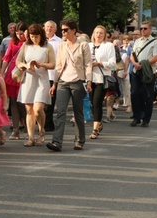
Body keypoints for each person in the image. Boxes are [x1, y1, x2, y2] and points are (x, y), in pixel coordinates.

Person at [46, 19, 92, 152]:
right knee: (60, 112)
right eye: (62, 30)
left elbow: (88, 64)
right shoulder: (62, 45)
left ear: (73, 30)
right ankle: (57, 142)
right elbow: (59, 66)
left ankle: (79, 140)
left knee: (77, 111)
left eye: (65, 30)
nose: (63, 32)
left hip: (78, 81)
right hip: (63, 81)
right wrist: (54, 83)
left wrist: (88, 81)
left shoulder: (83, 45)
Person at [14, 23, 55, 146]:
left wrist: (41, 64)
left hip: (42, 79)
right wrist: (24, 65)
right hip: (29, 79)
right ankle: (30, 137)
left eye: (36, 36)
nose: (34, 39)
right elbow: (18, 61)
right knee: (29, 109)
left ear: (41, 35)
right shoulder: (26, 46)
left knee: (38, 109)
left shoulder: (48, 46)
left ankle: (41, 131)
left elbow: (53, 64)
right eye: (31, 36)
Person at [129, 22, 157, 127]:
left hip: (148, 73)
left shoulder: (155, 42)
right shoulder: (137, 41)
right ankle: (136, 116)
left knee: (147, 95)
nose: (143, 30)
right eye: (141, 28)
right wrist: (134, 64)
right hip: (136, 71)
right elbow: (132, 55)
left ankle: (146, 119)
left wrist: (143, 65)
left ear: (150, 29)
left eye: (145, 28)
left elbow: (156, 57)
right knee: (134, 94)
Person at [88, 25, 116, 139]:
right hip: (89, 78)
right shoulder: (88, 46)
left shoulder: (108, 46)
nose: (98, 35)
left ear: (104, 35)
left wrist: (100, 63)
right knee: (92, 103)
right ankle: (98, 123)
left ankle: (95, 129)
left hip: (101, 78)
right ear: (93, 34)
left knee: (97, 102)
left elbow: (113, 63)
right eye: (96, 33)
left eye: (101, 33)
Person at [1, 22, 27, 139]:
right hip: (13, 73)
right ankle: (16, 130)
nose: (19, 36)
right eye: (17, 33)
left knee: (22, 103)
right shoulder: (13, 42)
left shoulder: (30, 43)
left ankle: (27, 128)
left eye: (21, 33)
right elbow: (6, 58)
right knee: (13, 102)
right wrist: (2, 72)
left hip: (24, 73)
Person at [44, 20, 62, 131]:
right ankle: (43, 122)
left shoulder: (59, 42)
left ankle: (48, 123)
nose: (49, 29)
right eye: (47, 27)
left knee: (50, 101)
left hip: (53, 75)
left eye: (51, 27)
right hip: (41, 75)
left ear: (55, 29)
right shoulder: (39, 40)